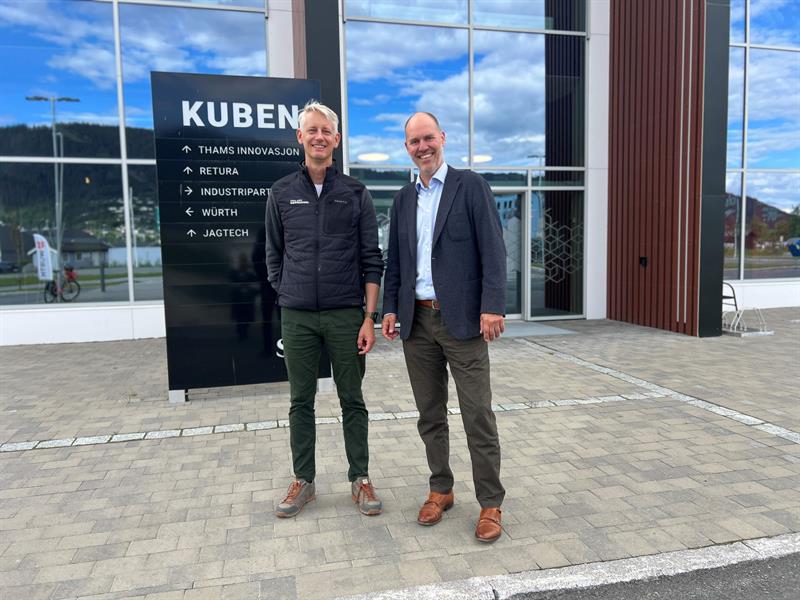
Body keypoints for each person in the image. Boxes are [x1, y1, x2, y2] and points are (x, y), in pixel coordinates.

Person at [381, 112, 507, 542]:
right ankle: (441, 488)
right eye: (414, 141)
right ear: (407, 148)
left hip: (463, 323)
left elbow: (494, 249)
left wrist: (492, 306)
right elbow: (395, 260)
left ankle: (490, 502)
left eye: (428, 138)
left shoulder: (470, 186)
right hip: (417, 323)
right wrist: (390, 309)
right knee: (430, 415)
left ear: (443, 138)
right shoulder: (403, 199)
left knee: (477, 414)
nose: (423, 147)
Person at [265, 101, 384, 518]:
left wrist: (368, 317)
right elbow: (273, 254)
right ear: (300, 137)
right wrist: (288, 290)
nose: (318, 137)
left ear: (336, 139)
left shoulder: (355, 193)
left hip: (346, 315)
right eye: (311, 130)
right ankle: (304, 481)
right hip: (297, 315)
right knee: (301, 401)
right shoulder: (280, 193)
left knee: (352, 399)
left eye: (326, 131)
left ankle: (360, 478)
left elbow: (372, 258)